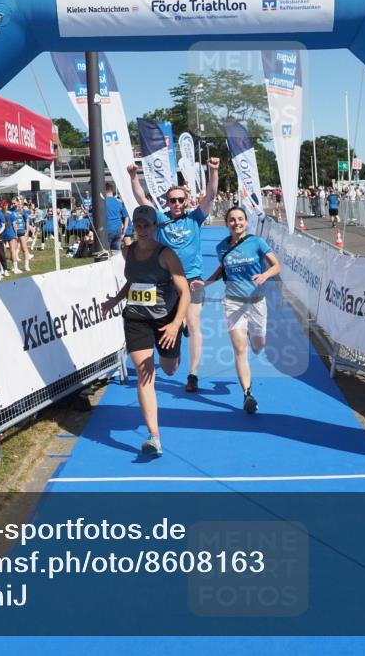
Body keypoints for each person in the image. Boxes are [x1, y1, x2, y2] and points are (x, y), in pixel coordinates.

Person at [101, 205, 190, 456]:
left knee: (170, 368)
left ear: (154, 227)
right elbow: (134, 281)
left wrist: (175, 324)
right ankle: (154, 436)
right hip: (136, 318)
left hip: (166, 319)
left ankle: (180, 334)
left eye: (146, 225)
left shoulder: (166, 254)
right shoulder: (127, 251)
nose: (142, 230)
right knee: (145, 374)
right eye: (138, 226)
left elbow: (185, 292)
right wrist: (115, 300)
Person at [127, 157, 220, 392]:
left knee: (193, 321)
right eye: (172, 200)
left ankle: (194, 374)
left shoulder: (194, 218)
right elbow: (141, 199)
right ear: (167, 203)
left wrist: (213, 170)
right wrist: (133, 177)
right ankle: (176, 339)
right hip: (165, 282)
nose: (177, 204)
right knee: (170, 365)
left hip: (192, 280)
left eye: (180, 200)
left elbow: (210, 195)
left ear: (186, 201)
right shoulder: (160, 219)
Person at [202, 206, 280, 414]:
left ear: (246, 221)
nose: (236, 223)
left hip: (256, 302)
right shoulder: (221, 247)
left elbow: (276, 266)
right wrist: (205, 284)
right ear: (227, 223)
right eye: (232, 220)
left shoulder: (257, 242)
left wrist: (265, 276)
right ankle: (247, 394)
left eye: (240, 219)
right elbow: (222, 271)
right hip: (233, 302)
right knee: (240, 350)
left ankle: (256, 341)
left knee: (258, 345)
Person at [100, 183, 130, 253]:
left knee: (105, 253)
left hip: (107, 230)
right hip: (118, 230)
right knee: (117, 253)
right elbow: (126, 217)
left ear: (104, 191)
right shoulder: (119, 202)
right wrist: (124, 232)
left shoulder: (102, 202)